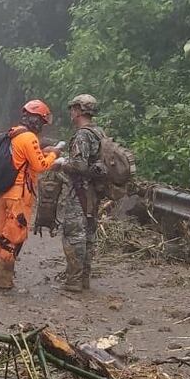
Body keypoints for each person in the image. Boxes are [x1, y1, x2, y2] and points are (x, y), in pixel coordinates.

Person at [0, 99, 61, 290]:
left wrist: (42, 151)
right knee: (13, 238)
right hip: (19, 196)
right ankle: (4, 281)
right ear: (38, 120)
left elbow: (24, 159)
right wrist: (54, 154)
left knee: (4, 235)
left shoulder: (14, 133)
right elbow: (40, 166)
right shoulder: (29, 137)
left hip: (3, 194)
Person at [54, 94, 105, 292]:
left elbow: (81, 165)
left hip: (80, 191)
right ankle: (84, 279)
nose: (71, 113)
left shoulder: (83, 135)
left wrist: (62, 163)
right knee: (88, 233)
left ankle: (73, 281)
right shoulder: (99, 132)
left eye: (72, 109)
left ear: (77, 110)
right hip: (94, 191)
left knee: (74, 233)